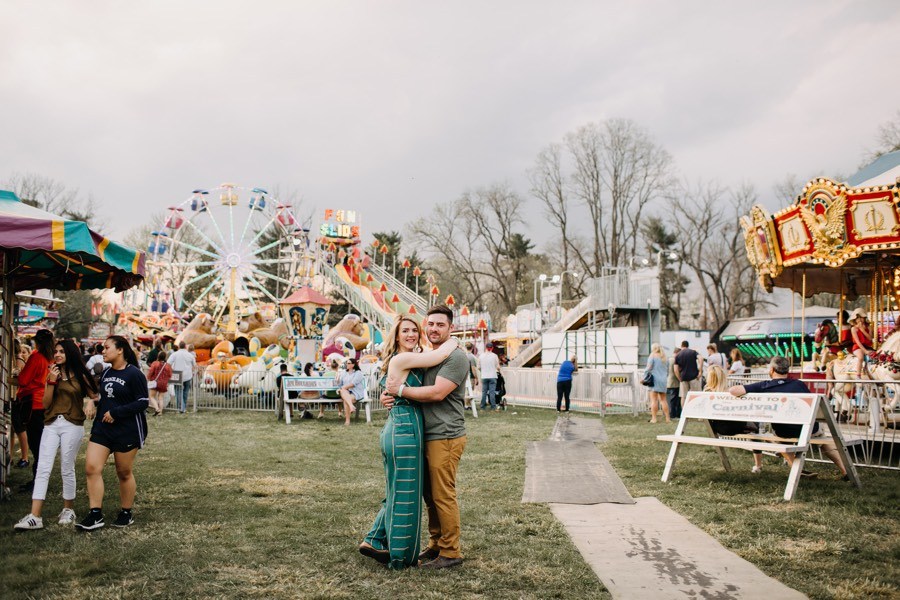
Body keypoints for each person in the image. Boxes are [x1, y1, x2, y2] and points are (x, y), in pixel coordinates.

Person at [360, 316, 459, 569]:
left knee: (400, 489)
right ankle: (401, 555)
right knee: (405, 493)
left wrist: (392, 392)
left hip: (407, 429)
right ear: (396, 336)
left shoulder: (411, 358)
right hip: (403, 431)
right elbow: (437, 357)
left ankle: (375, 539)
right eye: (405, 331)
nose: (411, 334)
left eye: (415, 330)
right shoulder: (402, 359)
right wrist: (455, 339)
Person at [383, 305, 469, 569]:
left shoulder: (456, 357)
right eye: (430, 324)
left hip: (445, 434)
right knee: (430, 496)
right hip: (426, 435)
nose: (434, 329)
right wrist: (391, 396)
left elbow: (436, 393)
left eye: (440, 325)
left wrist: (401, 391)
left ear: (450, 328)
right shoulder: (428, 354)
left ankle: (451, 553)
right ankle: (435, 545)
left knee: (443, 495)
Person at [14, 340, 98, 530]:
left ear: (70, 353)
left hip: (72, 424)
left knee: (66, 468)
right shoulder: (51, 373)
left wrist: (91, 402)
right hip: (51, 423)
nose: (57, 354)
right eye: (56, 351)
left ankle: (68, 509)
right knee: (43, 467)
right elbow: (45, 404)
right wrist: (51, 381)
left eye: (61, 351)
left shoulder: (80, 375)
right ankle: (35, 516)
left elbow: (95, 395)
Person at [728, 356, 847, 479]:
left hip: (784, 432)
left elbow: (733, 390)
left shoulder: (765, 386)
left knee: (776, 438)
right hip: (811, 430)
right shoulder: (799, 385)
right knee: (822, 439)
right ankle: (845, 470)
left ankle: (796, 466)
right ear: (787, 370)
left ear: (772, 370)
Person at [77, 336, 150, 531]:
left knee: (123, 472)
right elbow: (107, 397)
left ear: (120, 350)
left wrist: (116, 413)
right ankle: (95, 514)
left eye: (107, 347)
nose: (103, 351)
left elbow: (143, 402)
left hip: (127, 430)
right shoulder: (107, 372)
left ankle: (126, 512)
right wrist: (93, 402)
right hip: (103, 429)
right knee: (92, 468)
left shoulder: (134, 374)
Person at [16, 329, 55, 492]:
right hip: (45, 402)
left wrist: (15, 376)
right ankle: (39, 479)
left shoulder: (36, 357)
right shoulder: (52, 358)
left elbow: (24, 380)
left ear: (37, 342)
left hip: (33, 403)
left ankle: (39, 481)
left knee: (36, 444)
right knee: (41, 444)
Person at [704, 365, 762, 473]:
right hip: (736, 427)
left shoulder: (706, 394)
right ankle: (758, 465)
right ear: (723, 377)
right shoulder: (733, 392)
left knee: (754, 426)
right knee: (756, 428)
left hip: (718, 428)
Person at [10, 338, 30, 468]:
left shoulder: (18, 362)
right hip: (12, 398)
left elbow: (22, 382)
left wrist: (8, 379)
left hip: (18, 399)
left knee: (20, 429)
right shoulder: (11, 362)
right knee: (11, 429)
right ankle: (10, 455)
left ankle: (25, 457)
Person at [167, 341, 196, 414]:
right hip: (188, 375)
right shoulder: (190, 355)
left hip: (177, 374)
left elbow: (168, 363)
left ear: (179, 346)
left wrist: (172, 370)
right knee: (185, 391)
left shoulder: (175, 354)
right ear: (185, 347)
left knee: (178, 391)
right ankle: (183, 407)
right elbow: (194, 365)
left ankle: (180, 408)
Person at [645, 343, 670, 423]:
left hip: (654, 380)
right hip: (663, 380)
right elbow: (668, 370)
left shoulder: (652, 356)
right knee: (663, 400)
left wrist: (644, 377)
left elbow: (648, 368)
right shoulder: (665, 357)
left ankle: (654, 418)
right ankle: (667, 419)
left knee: (654, 400)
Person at [338, 358, 366, 426]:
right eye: (346, 363)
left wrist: (343, 388)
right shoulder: (344, 372)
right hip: (345, 392)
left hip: (355, 392)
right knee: (344, 393)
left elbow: (353, 384)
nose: (346, 364)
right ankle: (351, 406)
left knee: (346, 400)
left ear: (353, 364)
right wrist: (338, 379)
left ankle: (347, 421)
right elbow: (340, 384)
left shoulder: (358, 373)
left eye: (348, 363)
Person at [849, 308, 874, 378]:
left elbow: (870, 338)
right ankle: (858, 375)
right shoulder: (853, 329)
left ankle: (872, 373)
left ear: (864, 318)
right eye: (857, 318)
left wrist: (862, 330)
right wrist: (865, 351)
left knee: (875, 357)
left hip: (867, 345)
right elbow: (858, 342)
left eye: (861, 318)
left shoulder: (868, 327)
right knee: (860, 357)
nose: (859, 320)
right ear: (855, 319)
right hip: (857, 346)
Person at [147, 351, 173, 416]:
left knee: (151, 396)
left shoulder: (155, 363)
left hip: (155, 382)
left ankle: (157, 409)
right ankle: (160, 412)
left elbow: (150, 372)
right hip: (163, 383)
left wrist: (148, 378)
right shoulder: (168, 365)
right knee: (160, 398)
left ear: (158, 356)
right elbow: (170, 375)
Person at [479, 343, 500, 411]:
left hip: (484, 376)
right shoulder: (495, 356)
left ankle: (482, 407)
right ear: (492, 348)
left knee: (484, 392)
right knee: (492, 392)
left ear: (486, 347)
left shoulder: (481, 356)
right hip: (492, 376)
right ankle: (493, 407)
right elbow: (498, 367)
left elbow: (479, 367)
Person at [666, 350, 681, 420]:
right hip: (674, 382)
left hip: (669, 381)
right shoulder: (675, 360)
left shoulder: (668, 359)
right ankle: (674, 415)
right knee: (675, 399)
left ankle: (671, 414)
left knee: (671, 399)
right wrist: (680, 378)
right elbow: (676, 370)